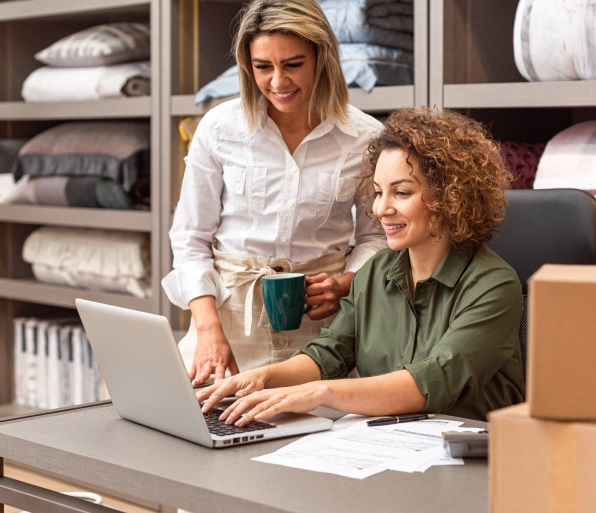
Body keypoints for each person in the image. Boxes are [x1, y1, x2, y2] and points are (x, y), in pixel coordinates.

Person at [196, 107, 526, 424]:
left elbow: (433, 381)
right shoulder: (378, 270)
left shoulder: (493, 285)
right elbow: (328, 355)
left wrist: (319, 392)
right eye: (379, 192)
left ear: (451, 195)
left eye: (402, 193)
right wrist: (260, 378)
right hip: (388, 445)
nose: (382, 209)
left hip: (471, 460)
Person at [162, 0, 387, 385]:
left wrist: (343, 285)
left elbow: (376, 238)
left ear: (322, 57)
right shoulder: (219, 128)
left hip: (323, 333)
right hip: (227, 324)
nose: (278, 82)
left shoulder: (364, 137)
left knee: (318, 437)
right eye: (263, 67)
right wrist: (208, 330)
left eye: (293, 65)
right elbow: (190, 238)